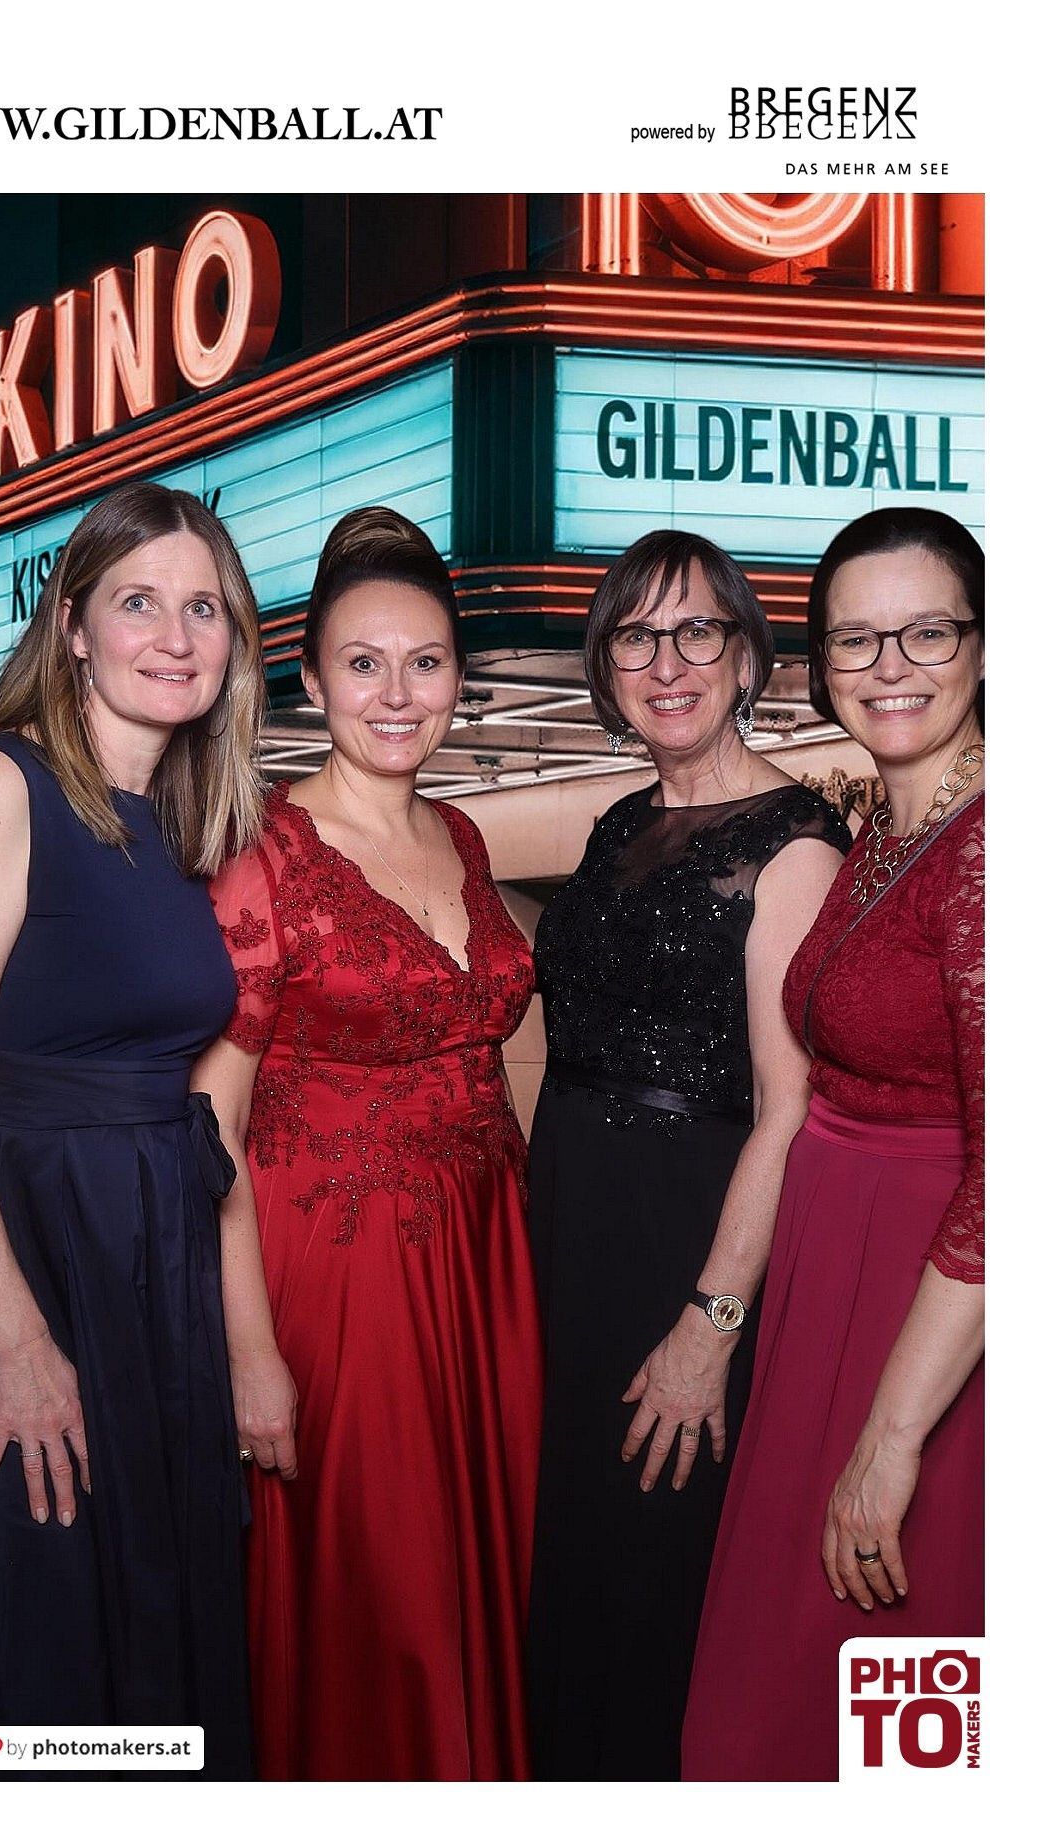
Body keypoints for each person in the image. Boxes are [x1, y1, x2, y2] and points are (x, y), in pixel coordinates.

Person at [0, 483, 265, 1773]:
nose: (175, 635)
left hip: (148, 1266)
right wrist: (18, 1338)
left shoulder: (179, 822)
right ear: (75, 627)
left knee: (137, 1632)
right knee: (25, 1638)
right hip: (26, 1259)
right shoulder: (3, 784)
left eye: (202, 606)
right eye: (139, 601)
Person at [199, 506, 542, 1780]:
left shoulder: (461, 832)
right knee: (384, 1597)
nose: (397, 693)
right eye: (362, 662)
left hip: (482, 1260)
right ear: (309, 678)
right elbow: (210, 1124)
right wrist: (250, 1354)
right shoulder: (263, 851)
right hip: (337, 1278)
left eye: (425, 661)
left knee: (484, 1570)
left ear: (458, 674)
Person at [526, 530, 853, 1780]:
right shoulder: (619, 822)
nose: (666, 664)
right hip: (570, 1235)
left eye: (696, 631)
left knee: (652, 1563)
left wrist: (711, 1324)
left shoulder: (796, 842)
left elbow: (788, 1108)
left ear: (747, 655)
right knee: (573, 1554)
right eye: (635, 636)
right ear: (606, 666)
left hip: (683, 1245)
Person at [683, 507, 984, 1781]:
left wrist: (895, 1433)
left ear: (986, 646)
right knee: (788, 1688)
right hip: (834, 1286)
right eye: (855, 639)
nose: (889, 665)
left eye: (927, 632)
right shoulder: (886, 832)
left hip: (931, 1322)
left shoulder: (989, 849)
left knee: (868, 1693)